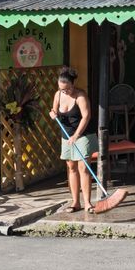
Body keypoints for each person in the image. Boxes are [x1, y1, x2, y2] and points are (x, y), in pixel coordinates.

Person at [50, 67, 96, 213]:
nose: (64, 92)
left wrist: (76, 135)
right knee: (71, 168)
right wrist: (53, 114)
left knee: (83, 168)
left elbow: (86, 116)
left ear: (72, 85)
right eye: (61, 89)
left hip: (82, 135)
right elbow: (54, 110)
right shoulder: (58, 94)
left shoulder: (80, 96)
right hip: (66, 136)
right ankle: (76, 202)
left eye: (67, 89)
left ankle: (88, 203)